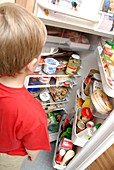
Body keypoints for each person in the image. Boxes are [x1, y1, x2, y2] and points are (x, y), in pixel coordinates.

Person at [0, 2, 51, 170]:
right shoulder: (33, 113)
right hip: (8, 156)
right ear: (32, 65)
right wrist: (31, 156)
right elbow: (33, 150)